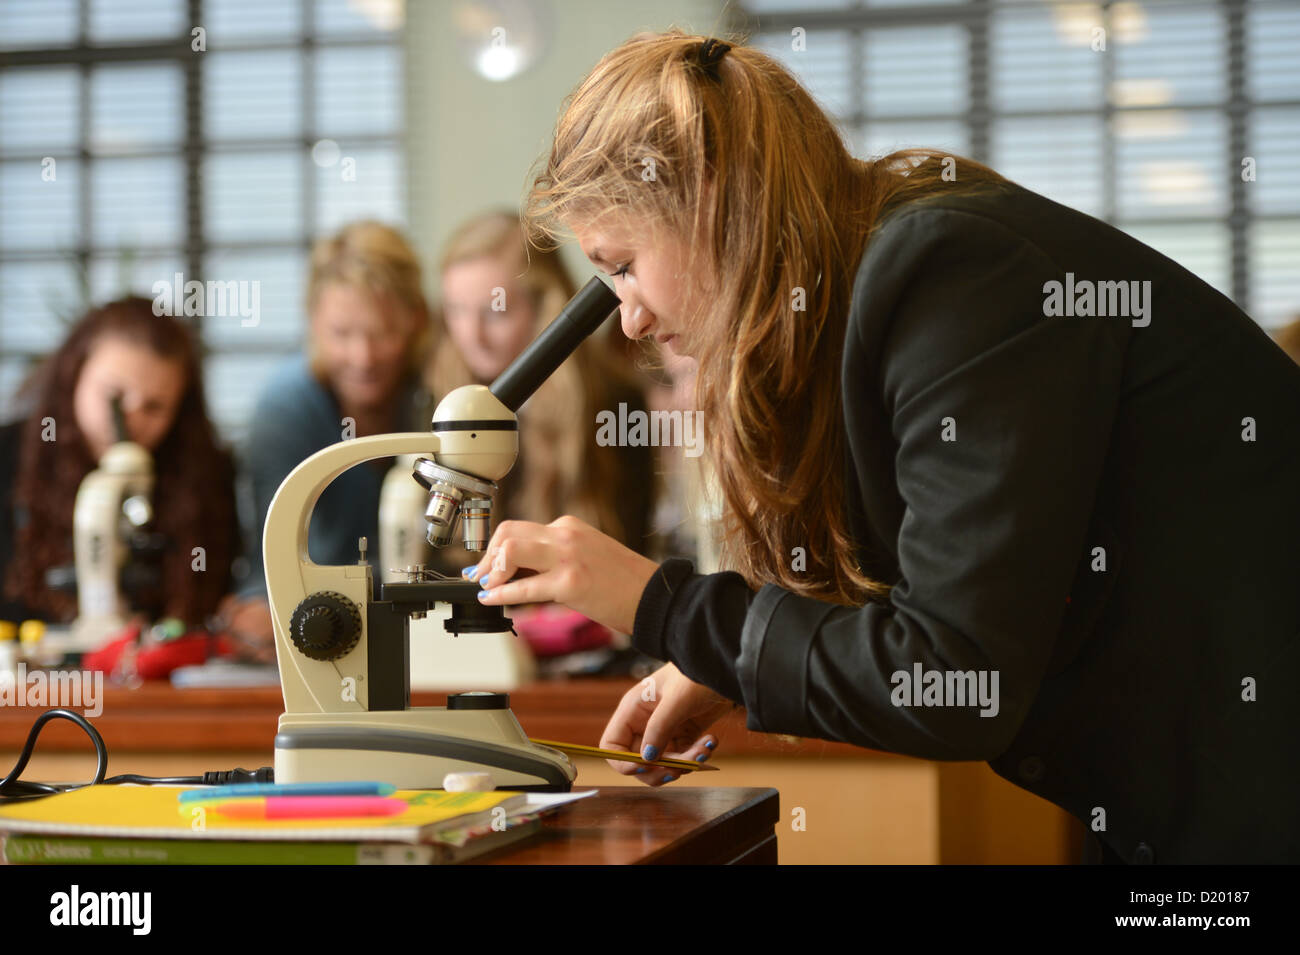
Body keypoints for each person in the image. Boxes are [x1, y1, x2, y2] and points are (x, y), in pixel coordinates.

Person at [462, 31, 1300, 863]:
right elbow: (923, 588)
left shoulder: (948, 272)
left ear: (708, 199)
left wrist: (665, 607)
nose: (632, 318)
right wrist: (724, 662)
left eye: (625, 265)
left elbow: (952, 677)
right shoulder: (871, 276)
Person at [223, 221, 434, 659]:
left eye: (383, 333)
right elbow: (279, 556)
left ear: (416, 319)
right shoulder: (285, 409)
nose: (364, 357)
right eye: (342, 334)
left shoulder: (438, 394)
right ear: (313, 321)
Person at [429, 210, 656, 577]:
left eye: (494, 312)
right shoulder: (438, 398)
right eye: (456, 311)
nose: (473, 336)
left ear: (544, 308)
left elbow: (629, 553)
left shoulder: (612, 402)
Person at [0, 296, 240, 633]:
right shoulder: (8, 454)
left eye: (155, 407)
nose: (130, 421)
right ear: (73, 375)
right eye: (114, 396)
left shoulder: (207, 476)